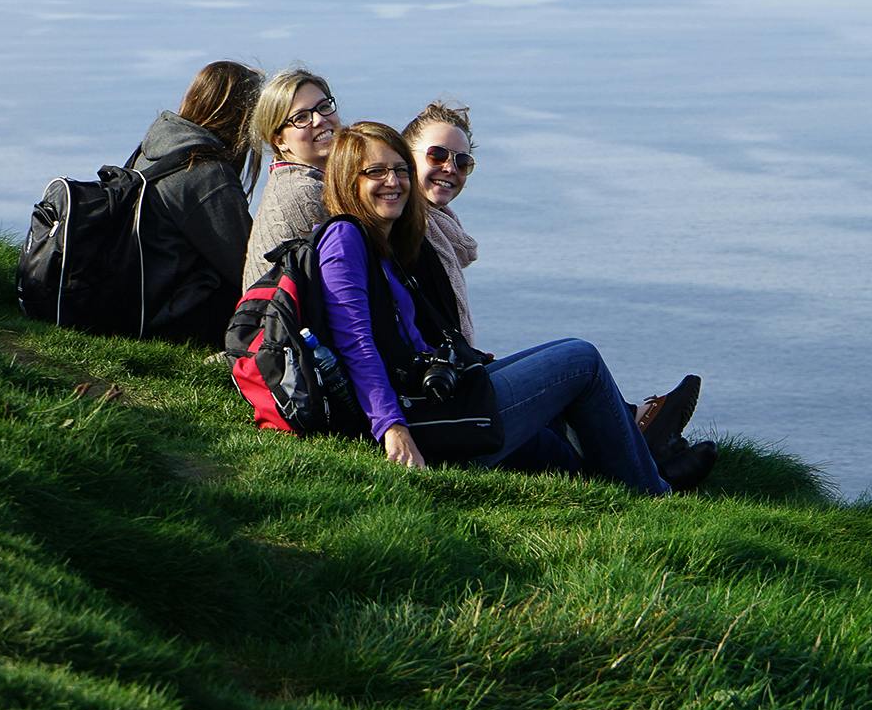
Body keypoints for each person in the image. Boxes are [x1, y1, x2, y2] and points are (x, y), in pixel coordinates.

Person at [314, 122, 686, 492]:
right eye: (376, 172)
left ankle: (647, 475)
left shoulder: (384, 241)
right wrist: (391, 427)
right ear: (349, 180)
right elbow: (356, 345)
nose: (393, 182)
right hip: (423, 424)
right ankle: (653, 493)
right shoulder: (345, 238)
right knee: (580, 360)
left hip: (430, 400)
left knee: (554, 405)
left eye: (399, 170)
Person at [401, 100, 713, 488]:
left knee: (557, 414)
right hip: (438, 416)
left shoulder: (432, 228)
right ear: (404, 156)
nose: (450, 168)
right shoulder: (406, 232)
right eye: (437, 154)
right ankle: (655, 489)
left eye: (462, 162)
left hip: (446, 395)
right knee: (580, 359)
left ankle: (652, 453)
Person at [126, 60, 260, 344]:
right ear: (242, 119)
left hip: (138, 291)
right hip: (165, 314)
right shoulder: (207, 173)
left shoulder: (158, 146)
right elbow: (248, 269)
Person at [243, 67, 340, 286]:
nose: (319, 120)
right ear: (279, 139)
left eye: (324, 107)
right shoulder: (304, 192)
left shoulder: (291, 178)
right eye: (301, 117)